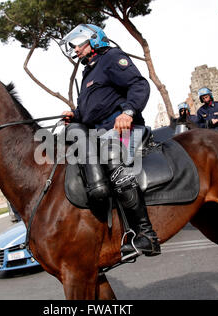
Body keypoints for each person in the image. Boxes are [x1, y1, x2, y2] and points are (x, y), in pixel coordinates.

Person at [59, 24, 160, 261]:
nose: (75, 50)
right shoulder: (89, 73)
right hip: (98, 133)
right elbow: (92, 108)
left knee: (114, 164)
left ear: (94, 41)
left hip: (123, 127)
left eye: (79, 44)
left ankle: (147, 235)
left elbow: (139, 85)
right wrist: (75, 114)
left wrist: (128, 112)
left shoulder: (112, 57)